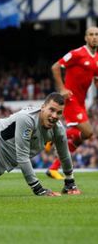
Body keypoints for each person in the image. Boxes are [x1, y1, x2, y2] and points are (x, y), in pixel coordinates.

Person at [46, 27, 98, 179]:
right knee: (88, 132)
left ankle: (54, 168)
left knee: (79, 138)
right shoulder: (77, 53)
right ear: (85, 38)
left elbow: (95, 79)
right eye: (91, 35)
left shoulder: (96, 59)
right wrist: (62, 88)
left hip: (81, 102)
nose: (94, 37)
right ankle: (52, 136)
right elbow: (55, 66)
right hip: (71, 99)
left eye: (96, 35)